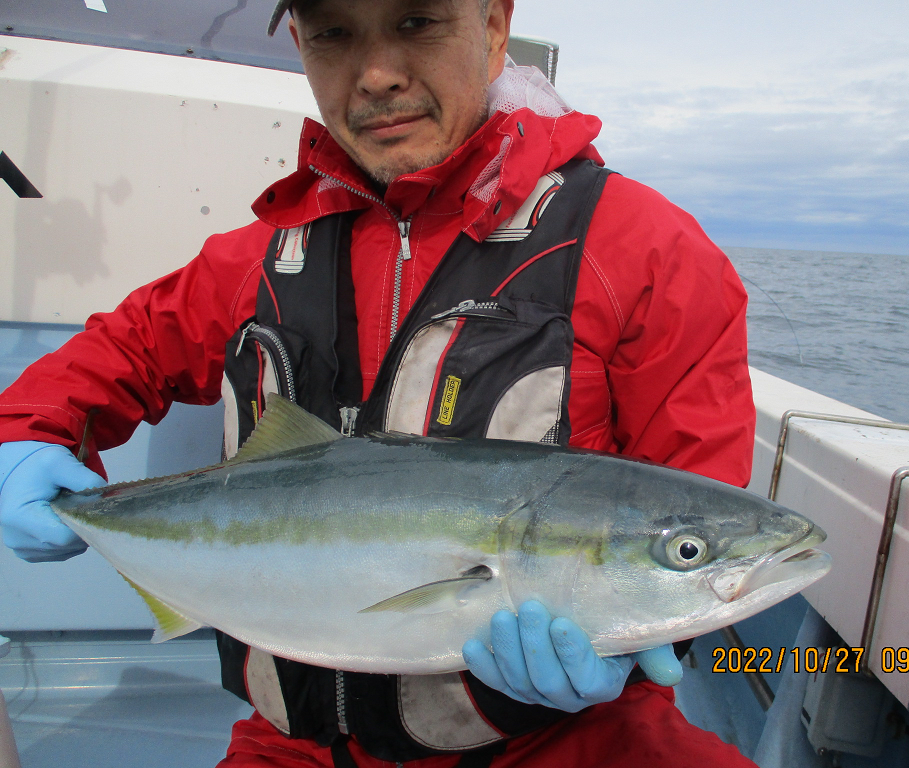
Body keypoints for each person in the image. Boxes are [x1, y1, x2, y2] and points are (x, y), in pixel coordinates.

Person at [0, 1, 757, 766]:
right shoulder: (259, 258)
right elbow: (120, 350)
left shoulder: (644, 252)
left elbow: (693, 525)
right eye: (333, 33)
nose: (376, 75)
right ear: (300, 43)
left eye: (417, 20)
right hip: (291, 747)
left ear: (493, 28)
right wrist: (22, 439)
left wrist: (638, 651)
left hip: (560, 742)